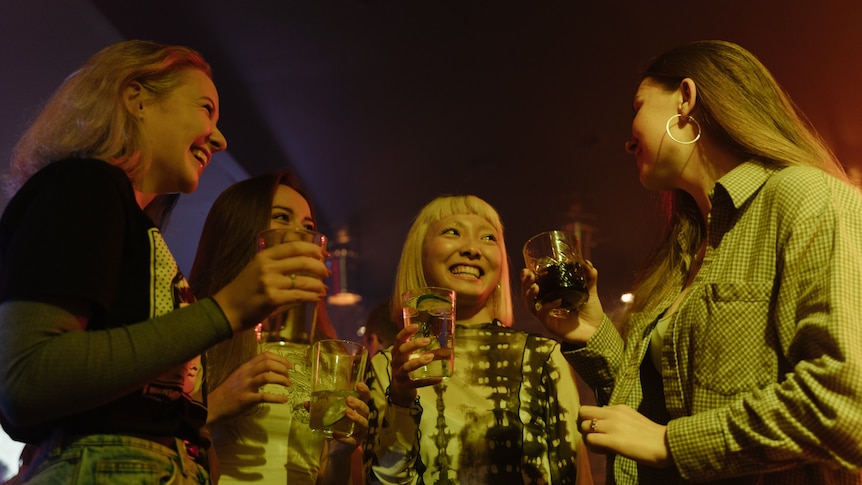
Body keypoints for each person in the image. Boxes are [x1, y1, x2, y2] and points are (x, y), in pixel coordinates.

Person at [522, 40, 862, 484]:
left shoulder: (805, 197)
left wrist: (672, 444)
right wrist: (588, 332)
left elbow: (844, 404)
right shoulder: (685, 249)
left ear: (685, 99)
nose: (627, 140)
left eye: (636, 108)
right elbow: (655, 406)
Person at [0, 40, 328, 484]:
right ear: (137, 99)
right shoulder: (83, 185)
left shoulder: (140, 229)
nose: (220, 136)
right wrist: (225, 310)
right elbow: (27, 379)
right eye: (205, 109)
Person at [364, 194, 593, 484]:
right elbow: (382, 479)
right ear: (419, 253)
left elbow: (575, 475)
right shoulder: (389, 366)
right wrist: (401, 400)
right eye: (452, 231)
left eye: (488, 237)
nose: (472, 248)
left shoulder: (541, 355)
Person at [189, 172, 370, 484]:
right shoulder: (198, 332)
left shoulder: (327, 355)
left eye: (309, 227)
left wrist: (340, 454)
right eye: (281, 218)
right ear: (241, 231)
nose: (300, 234)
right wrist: (215, 406)